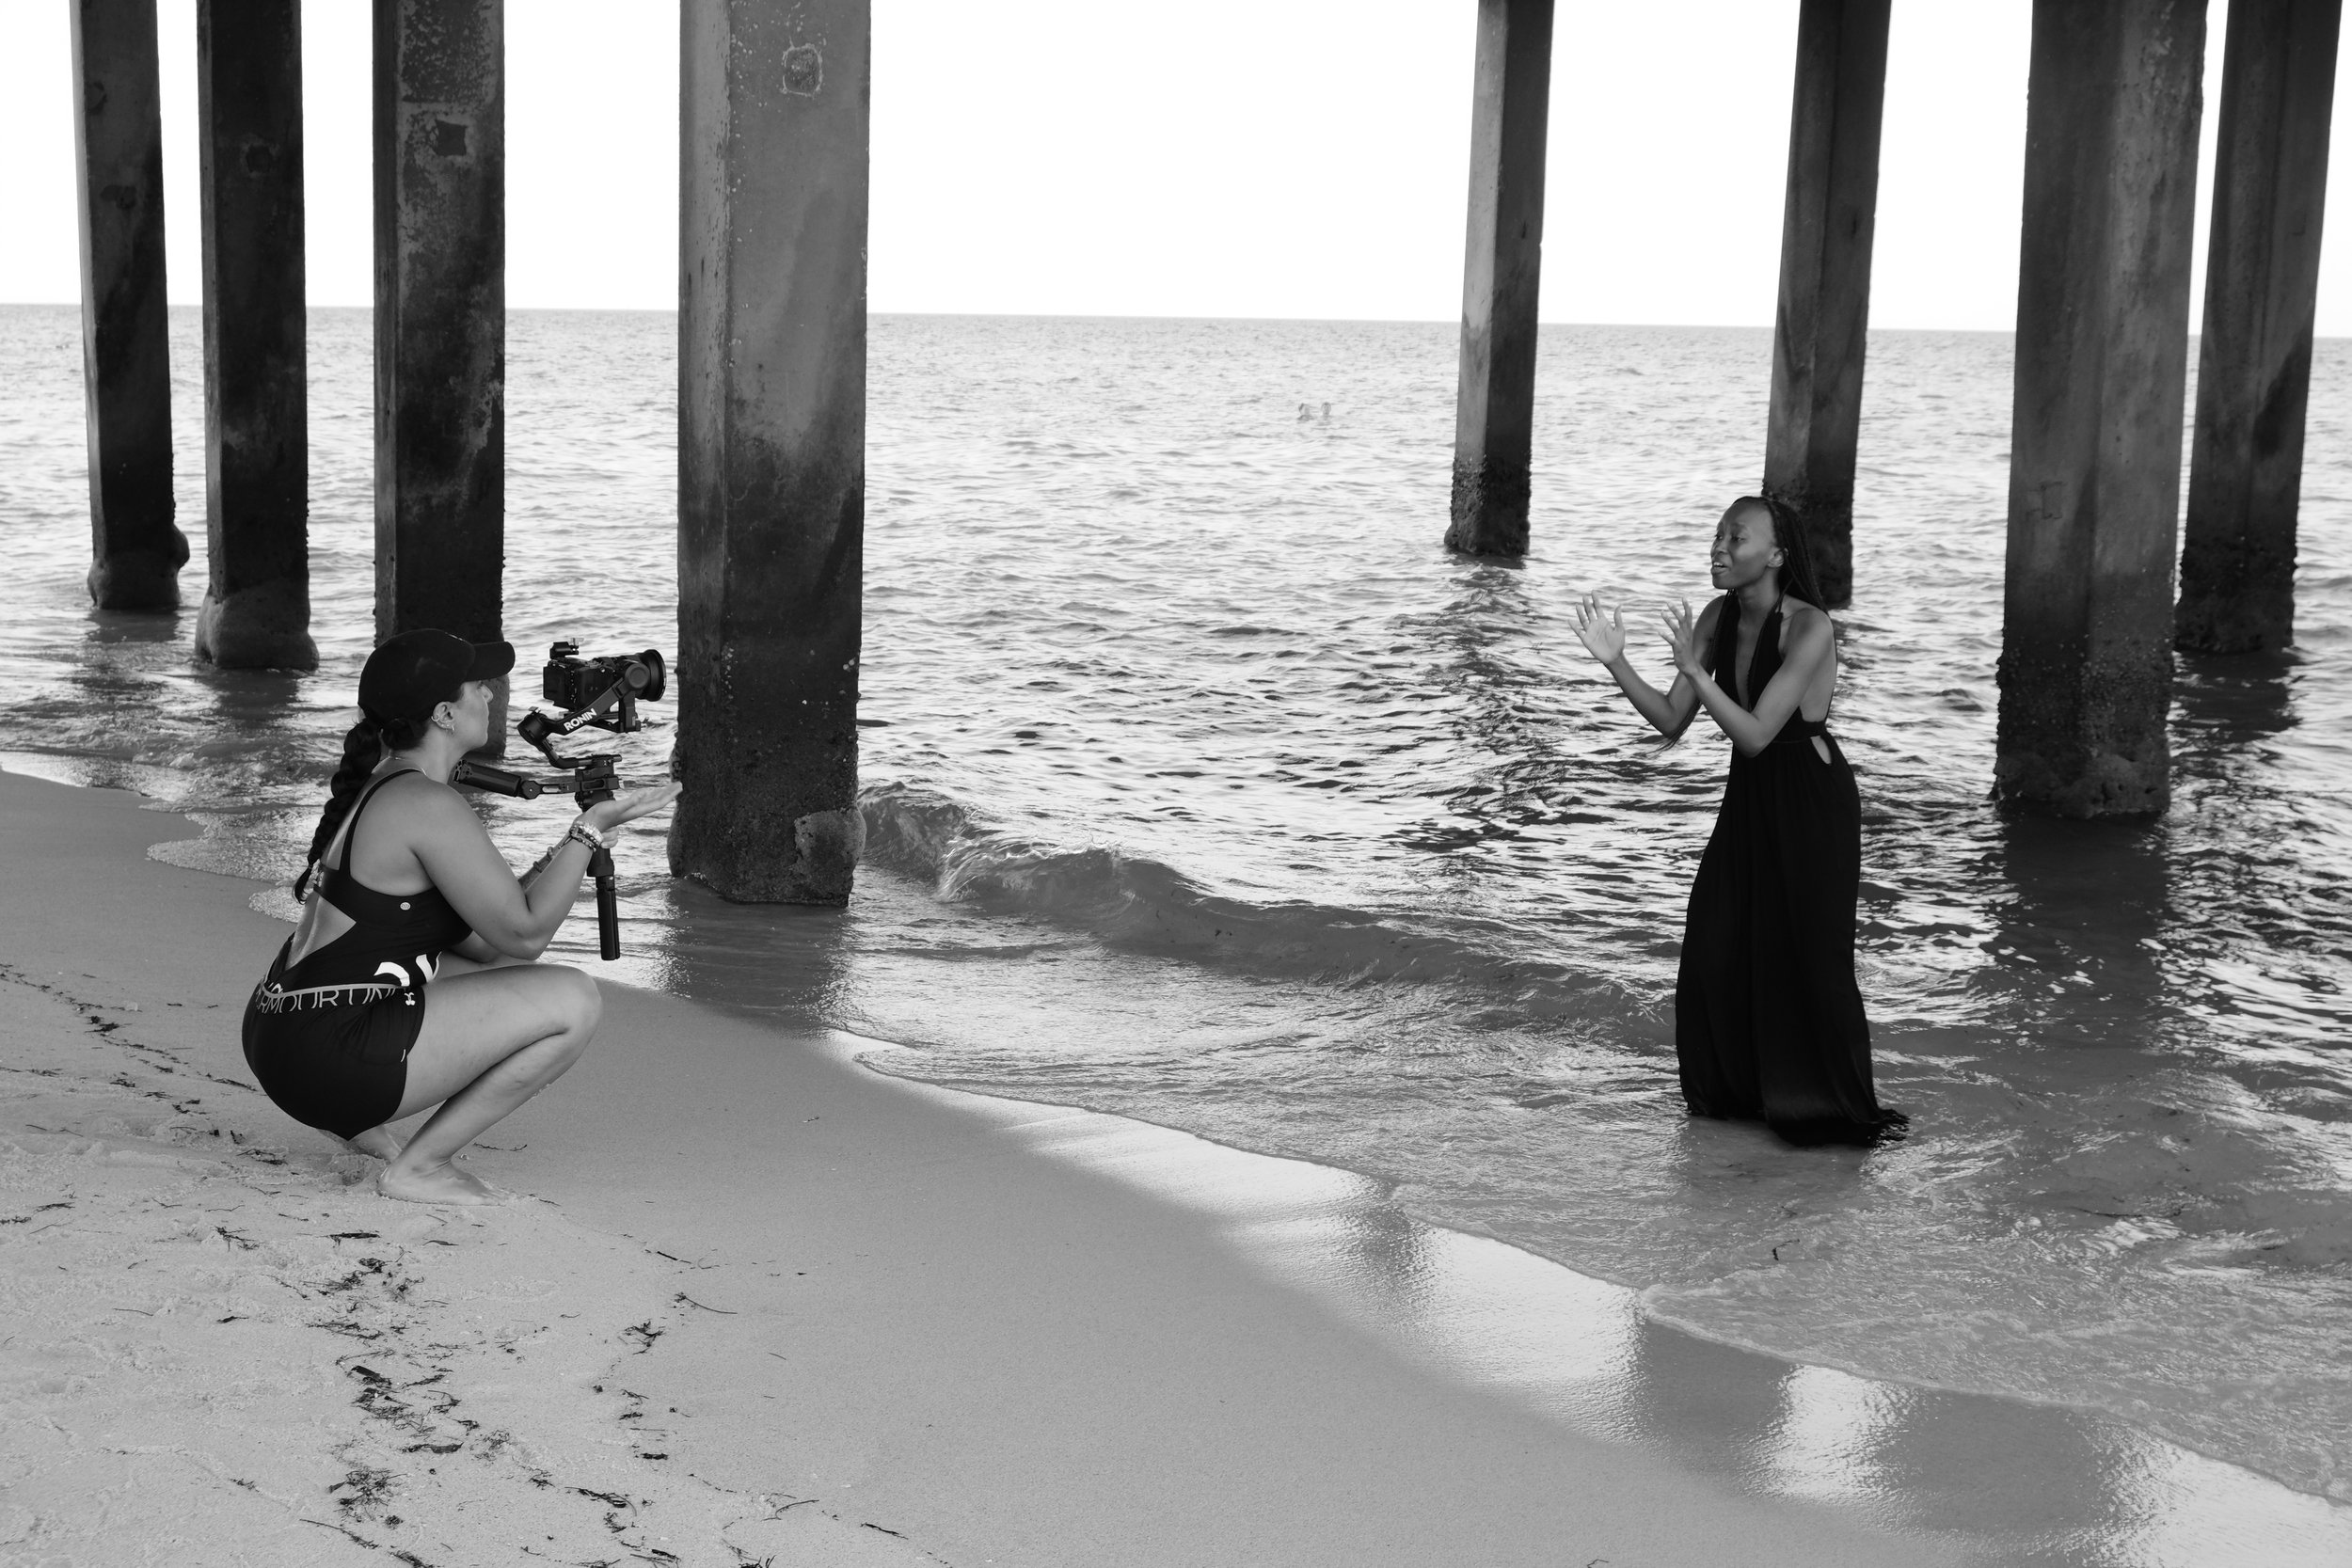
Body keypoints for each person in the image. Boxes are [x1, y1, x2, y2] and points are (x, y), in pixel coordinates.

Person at [242, 629, 682, 1203]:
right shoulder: (427, 803)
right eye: (478, 686)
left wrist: (565, 850)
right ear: (445, 714)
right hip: (327, 1055)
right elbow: (526, 935)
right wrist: (589, 831)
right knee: (575, 1000)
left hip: (281, 1039)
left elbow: (487, 945)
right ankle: (420, 1168)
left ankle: (363, 1126)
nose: (491, 695)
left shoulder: (388, 787)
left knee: (483, 968)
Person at [1571, 496, 1904, 1146]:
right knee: (1715, 943)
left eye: (1736, 537)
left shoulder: (1810, 627)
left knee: (1812, 960)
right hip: (1749, 799)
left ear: (1776, 554)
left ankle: (1831, 1110)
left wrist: (1698, 671)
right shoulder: (1717, 615)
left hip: (1812, 802)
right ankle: (1733, 1100)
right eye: (1718, 534)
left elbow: (1755, 735)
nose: (1719, 547)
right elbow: (1672, 719)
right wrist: (1616, 661)